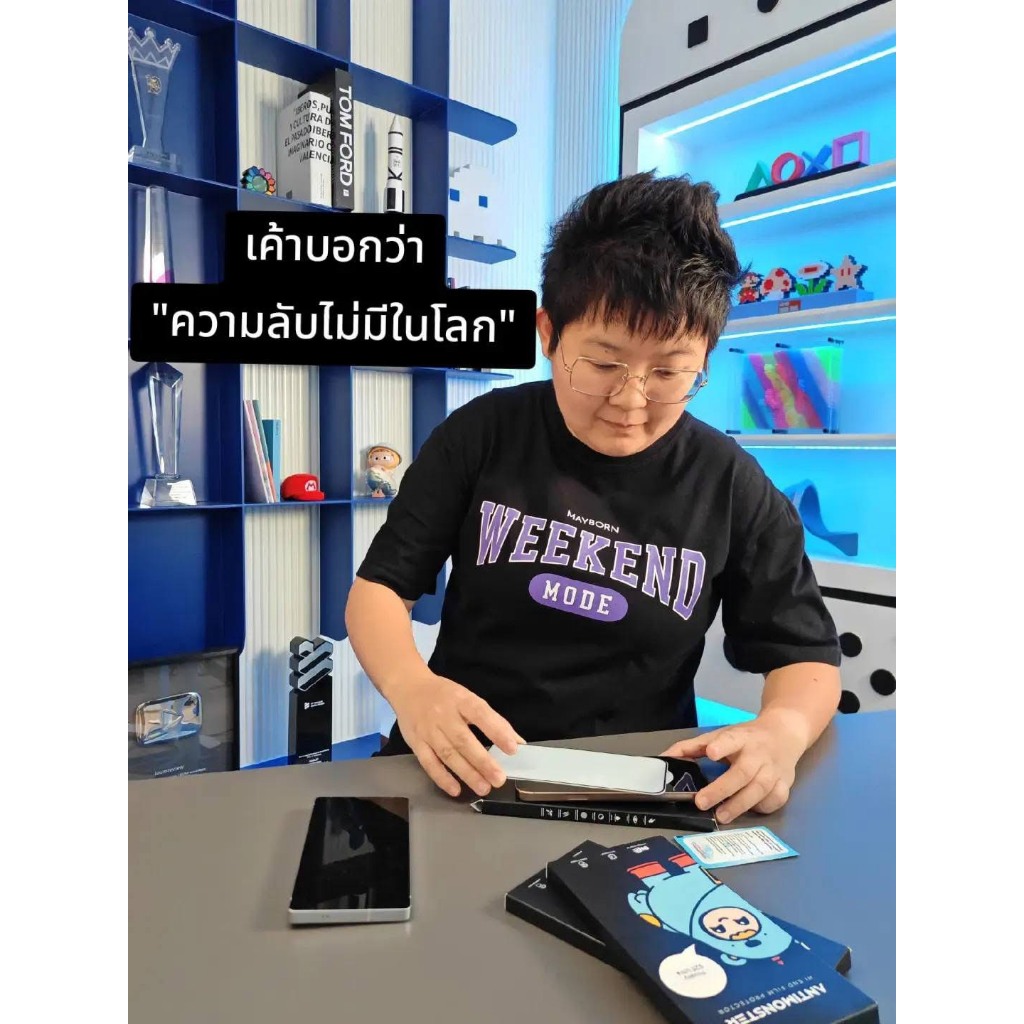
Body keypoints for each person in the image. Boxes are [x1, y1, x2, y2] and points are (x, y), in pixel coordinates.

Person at [345, 171, 842, 825]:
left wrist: (782, 731)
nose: (631, 400)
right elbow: (380, 590)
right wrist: (413, 690)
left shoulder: (731, 485)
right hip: (463, 766)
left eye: (669, 372)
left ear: (706, 360)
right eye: (603, 364)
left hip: (635, 788)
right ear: (548, 333)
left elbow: (805, 656)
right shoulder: (483, 434)